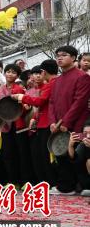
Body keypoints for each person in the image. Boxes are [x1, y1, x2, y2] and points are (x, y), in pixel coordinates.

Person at [49, 45, 90, 194]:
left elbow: (80, 102)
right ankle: (66, 186)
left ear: (73, 58)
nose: (59, 58)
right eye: (58, 55)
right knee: (61, 154)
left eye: (64, 55)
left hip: (77, 123)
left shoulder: (82, 76)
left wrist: (66, 122)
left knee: (76, 155)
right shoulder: (57, 80)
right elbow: (52, 102)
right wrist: (53, 122)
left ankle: (82, 186)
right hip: (59, 124)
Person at [12, 59, 57, 185]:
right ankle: (45, 182)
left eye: (39, 73)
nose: (37, 76)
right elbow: (42, 107)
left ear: (43, 72)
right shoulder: (50, 84)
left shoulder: (50, 84)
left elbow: (40, 102)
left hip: (48, 123)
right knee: (40, 155)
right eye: (34, 74)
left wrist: (22, 97)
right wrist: (35, 118)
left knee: (46, 155)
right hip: (41, 123)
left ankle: (51, 182)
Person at [0, 64, 28, 185]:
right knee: (8, 153)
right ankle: (12, 181)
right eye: (8, 71)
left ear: (17, 76)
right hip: (5, 125)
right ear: (4, 73)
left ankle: (24, 181)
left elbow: (24, 107)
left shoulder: (19, 89)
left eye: (13, 72)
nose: (10, 74)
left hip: (18, 124)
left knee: (21, 153)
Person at [67, 119, 90, 196]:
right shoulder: (82, 145)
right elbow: (73, 158)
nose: (88, 136)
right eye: (85, 133)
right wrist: (70, 145)